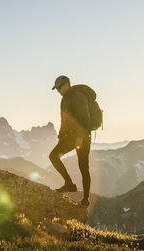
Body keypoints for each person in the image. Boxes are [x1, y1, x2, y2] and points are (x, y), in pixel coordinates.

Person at [49, 75, 92, 207]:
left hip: (83, 138)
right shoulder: (64, 100)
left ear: (67, 84)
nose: (58, 91)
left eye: (59, 88)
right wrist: (61, 137)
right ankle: (69, 184)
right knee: (53, 156)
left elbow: (85, 119)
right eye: (56, 89)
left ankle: (85, 200)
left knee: (83, 168)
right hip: (70, 137)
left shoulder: (79, 97)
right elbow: (64, 119)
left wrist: (80, 138)